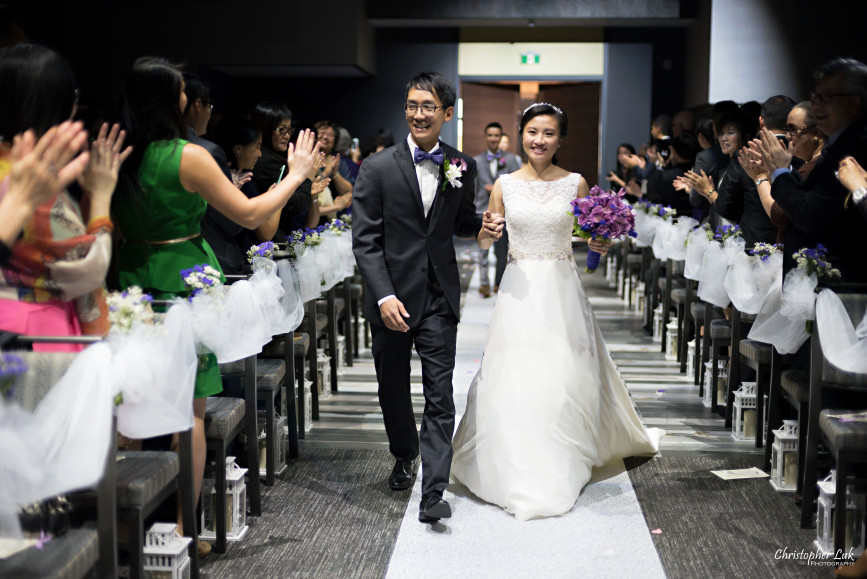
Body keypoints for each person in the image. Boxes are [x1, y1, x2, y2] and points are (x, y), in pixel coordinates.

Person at [113, 56, 318, 554]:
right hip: (185, 279)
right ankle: (186, 529)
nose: (190, 99)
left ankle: (121, 528)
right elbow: (249, 212)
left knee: (129, 405)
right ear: (170, 98)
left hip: (132, 278)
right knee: (191, 409)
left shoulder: (118, 152)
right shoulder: (190, 154)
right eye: (183, 92)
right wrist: (296, 175)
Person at [450, 103, 660, 521]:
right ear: (521, 136)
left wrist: (601, 242)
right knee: (514, 371)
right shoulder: (504, 185)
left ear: (560, 140)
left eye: (548, 133)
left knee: (563, 372)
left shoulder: (576, 183)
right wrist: (486, 233)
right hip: (519, 288)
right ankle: (512, 457)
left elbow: (588, 237)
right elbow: (487, 243)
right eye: (532, 132)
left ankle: (563, 450)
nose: (539, 140)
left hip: (562, 286)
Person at [352, 71, 501, 524]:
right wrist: (383, 297)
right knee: (392, 389)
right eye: (412, 105)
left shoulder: (462, 166)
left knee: (440, 394)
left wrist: (481, 228)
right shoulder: (377, 168)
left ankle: (433, 490)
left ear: (448, 114)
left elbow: (456, 222)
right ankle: (404, 453)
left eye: (428, 107)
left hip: (438, 296)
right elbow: (366, 242)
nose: (419, 114)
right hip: (391, 300)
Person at [0, 44, 131, 351]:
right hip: (35, 331)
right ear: (55, 104)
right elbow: (87, 267)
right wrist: (100, 196)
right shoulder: (26, 179)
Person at [750, 57, 867, 281]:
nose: (817, 105)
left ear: (855, 103)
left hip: (842, 279)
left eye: (826, 97)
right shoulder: (838, 143)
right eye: (815, 96)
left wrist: (779, 172)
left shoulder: (855, 147)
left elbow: (808, 214)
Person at [251, 101, 321, 236]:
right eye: (282, 129)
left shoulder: (275, 157)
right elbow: (294, 205)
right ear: (265, 128)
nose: (287, 135)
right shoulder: (267, 162)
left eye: (289, 130)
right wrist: (308, 177)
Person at [473, 121, 520, 297]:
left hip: (503, 213)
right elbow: (473, 189)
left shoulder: (511, 160)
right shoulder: (476, 161)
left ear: (501, 138)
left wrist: (498, 190)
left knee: (501, 251)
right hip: (481, 210)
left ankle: (498, 282)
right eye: (490, 135)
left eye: (496, 135)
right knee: (482, 249)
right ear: (486, 137)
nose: (493, 138)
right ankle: (484, 284)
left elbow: (518, 186)